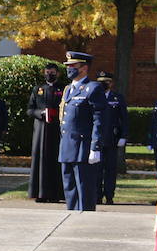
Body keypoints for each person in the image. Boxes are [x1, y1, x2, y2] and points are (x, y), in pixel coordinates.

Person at [59, 51, 107, 212]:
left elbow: (98, 120)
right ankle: (71, 217)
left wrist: (95, 147)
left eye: (73, 66)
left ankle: (85, 220)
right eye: (68, 66)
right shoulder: (68, 90)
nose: (69, 69)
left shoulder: (93, 89)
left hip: (83, 147)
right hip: (67, 146)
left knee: (84, 189)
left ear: (84, 68)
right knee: (69, 188)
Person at [27, 63, 64, 203]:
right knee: (40, 160)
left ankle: (56, 194)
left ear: (57, 73)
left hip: (56, 130)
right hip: (41, 130)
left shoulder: (63, 89)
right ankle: (40, 193)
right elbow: (30, 109)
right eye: (48, 72)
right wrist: (40, 113)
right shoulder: (38, 89)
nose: (50, 74)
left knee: (56, 160)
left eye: (53, 72)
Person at [96, 72, 128, 204]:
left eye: (107, 82)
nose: (104, 84)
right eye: (101, 82)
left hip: (112, 139)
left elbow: (124, 118)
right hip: (97, 140)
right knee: (97, 170)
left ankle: (109, 195)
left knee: (110, 170)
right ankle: (97, 195)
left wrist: (123, 136)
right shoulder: (95, 96)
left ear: (112, 83)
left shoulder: (117, 98)